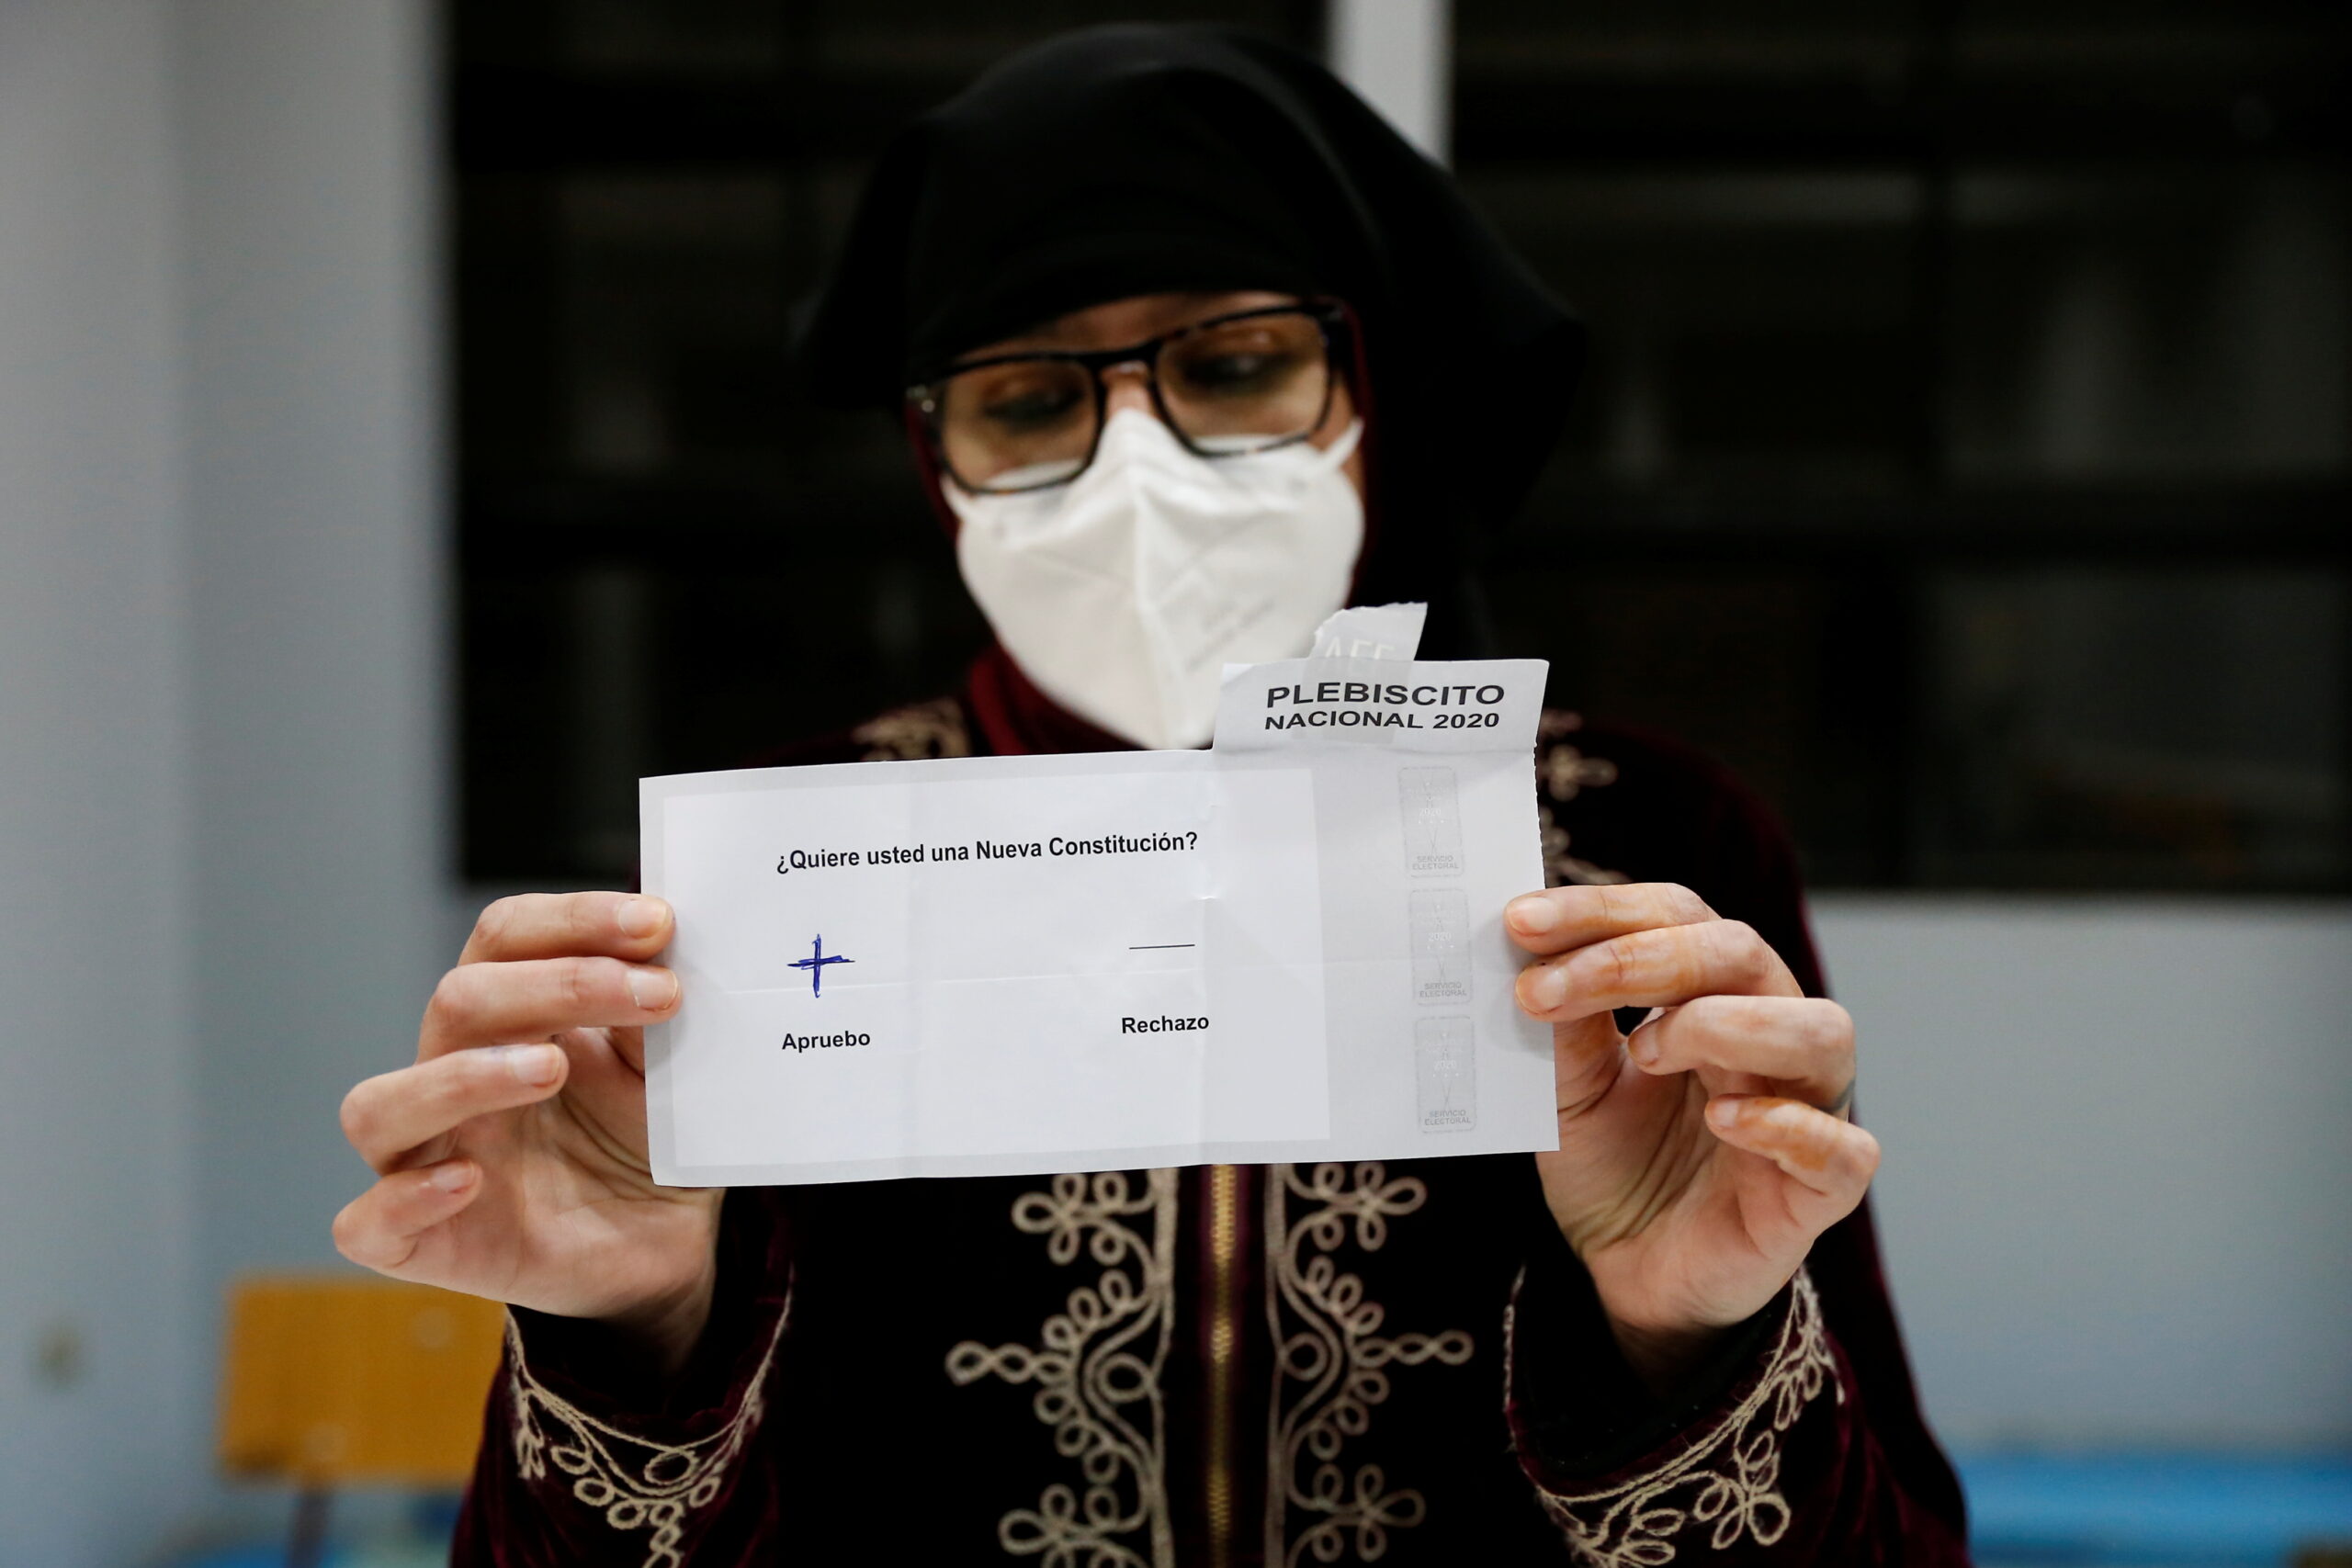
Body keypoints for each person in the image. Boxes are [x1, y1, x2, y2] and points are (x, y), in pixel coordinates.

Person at [333, 25, 1971, 1565]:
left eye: (1240, 362)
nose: (1139, 471)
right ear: (933, 459)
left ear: (1370, 395)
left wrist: (1692, 1336)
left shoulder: (1649, 858)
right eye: (1028, 399)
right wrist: (630, 1337)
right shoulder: (779, 884)